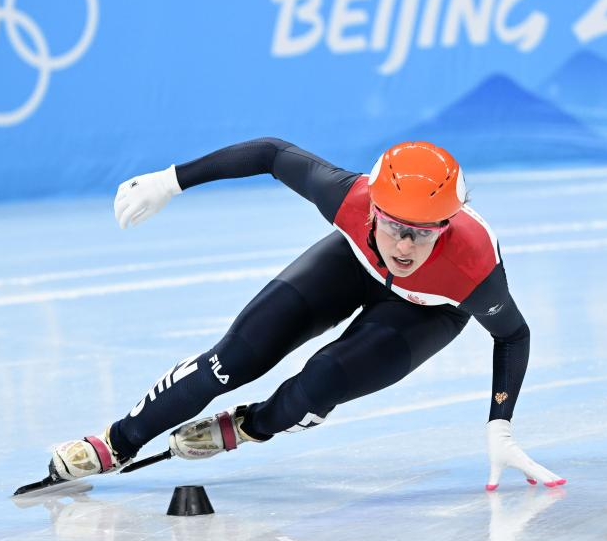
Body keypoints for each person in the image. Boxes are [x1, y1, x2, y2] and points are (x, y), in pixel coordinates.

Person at [48, 138, 565, 491]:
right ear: (373, 209)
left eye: (424, 232)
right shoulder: (348, 197)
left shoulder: (473, 268)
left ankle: (250, 426)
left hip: (429, 310)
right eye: (394, 226)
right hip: (352, 262)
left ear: (447, 225)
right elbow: (271, 153)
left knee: (320, 383)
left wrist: (500, 425)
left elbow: (512, 335)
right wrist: (171, 180)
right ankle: (118, 441)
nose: (405, 246)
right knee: (232, 359)